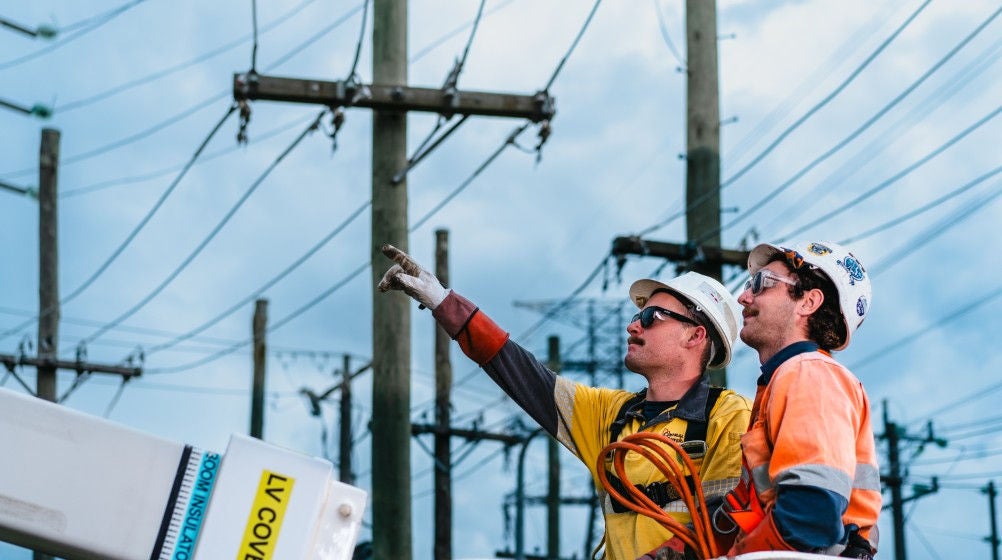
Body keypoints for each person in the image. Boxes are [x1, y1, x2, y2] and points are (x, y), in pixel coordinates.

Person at [377, 244, 751, 560]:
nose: (632, 326)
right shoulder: (613, 416)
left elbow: (725, 522)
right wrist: (445, 302)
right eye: (637, 316)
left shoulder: (727, 415)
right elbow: (521, 372)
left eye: (651, 317)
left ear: (695, 336)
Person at [718, 241, 880, 559]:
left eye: (760, 284)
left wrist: (737, 556)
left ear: (808, 302)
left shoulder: (809, 375)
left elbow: (811, 513)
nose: (743, 297)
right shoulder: (786, 381)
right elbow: (742, 511)